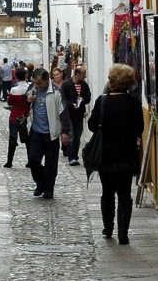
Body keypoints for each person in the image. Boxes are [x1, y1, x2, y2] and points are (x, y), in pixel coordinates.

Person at [87, 63, 144, 244]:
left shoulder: (102, 101)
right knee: (125, 194)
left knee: (107, 192)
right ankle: (123, 233)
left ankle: (108, 227)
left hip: (106, 156)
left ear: (111, 81)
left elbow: (91, 125)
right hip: (126, 156)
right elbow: (139, 129)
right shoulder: (134, 103)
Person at [26, 69, 70, 199]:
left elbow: (64, 112)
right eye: (36, 82)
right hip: (35, 131)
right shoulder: (32, 88)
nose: (38, 85)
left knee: (51, 162)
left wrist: (65, 132)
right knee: (33, 159)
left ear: (47, 80)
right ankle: (41, 183)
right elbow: (24, 105)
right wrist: (28, 100)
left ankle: (48, 189)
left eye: (40, 83)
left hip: (52, 132)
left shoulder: (56, 91)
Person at [61, 64, 92, 166]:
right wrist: (71, 104)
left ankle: (75, 156)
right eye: (83, 74)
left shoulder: (84, 85)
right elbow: (63, 99)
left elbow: (88, 97)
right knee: (72, 136)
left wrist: (82, 101)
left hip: (79, 114)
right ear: (77, 74)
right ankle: (71, 157)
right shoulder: (66, 84)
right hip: (69, 113)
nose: (84, 76)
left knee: (77, 137)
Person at [3, 68, 30, 169]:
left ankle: (9, 161)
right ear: (26, 76)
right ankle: (30, 160)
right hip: (24, 116)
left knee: (12, 138)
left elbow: (9, 102)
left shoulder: (14, 90)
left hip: (14, 116)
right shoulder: (29, 89)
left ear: (16, 77)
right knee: (26, 139)